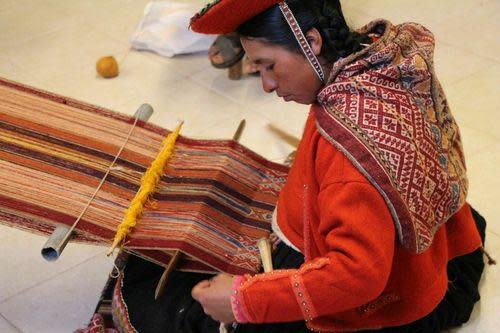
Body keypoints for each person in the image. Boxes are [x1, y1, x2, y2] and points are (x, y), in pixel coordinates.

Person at [109, 1, 487, 332]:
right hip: (429, 255)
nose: (268, 85)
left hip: (392, 293)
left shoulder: (349, 151)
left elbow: (359, 275)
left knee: (167, 306)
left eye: (268, 65)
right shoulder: (383, 59)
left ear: (314, 41)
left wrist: (244, 301)